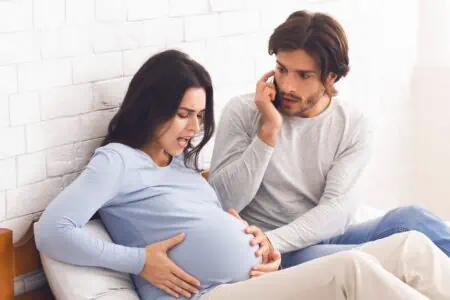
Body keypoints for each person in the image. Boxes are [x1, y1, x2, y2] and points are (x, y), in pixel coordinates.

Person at [34, 50, 450, 300]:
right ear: (150, 107)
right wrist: (139, 261)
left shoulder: (182, 167)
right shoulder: (118, 161)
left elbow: (209, 223)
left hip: (255, 281)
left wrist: (260, 247)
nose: (194, 129)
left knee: (411, 246)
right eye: (182, 115)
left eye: (198, 116)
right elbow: (53, 230)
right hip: (208, 296)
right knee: (352, 271)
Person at [208, 10, 450, 268]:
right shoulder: (244, 111)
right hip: (276, 254)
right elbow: (224, 200)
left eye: (304, 75)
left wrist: (274, 239)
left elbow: (336, 211)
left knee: (413, 219)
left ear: (331, 77)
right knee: (369, 260)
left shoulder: (352, 123)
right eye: (282, 69)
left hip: (307, 237)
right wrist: (268, 132)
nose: (288, 85)